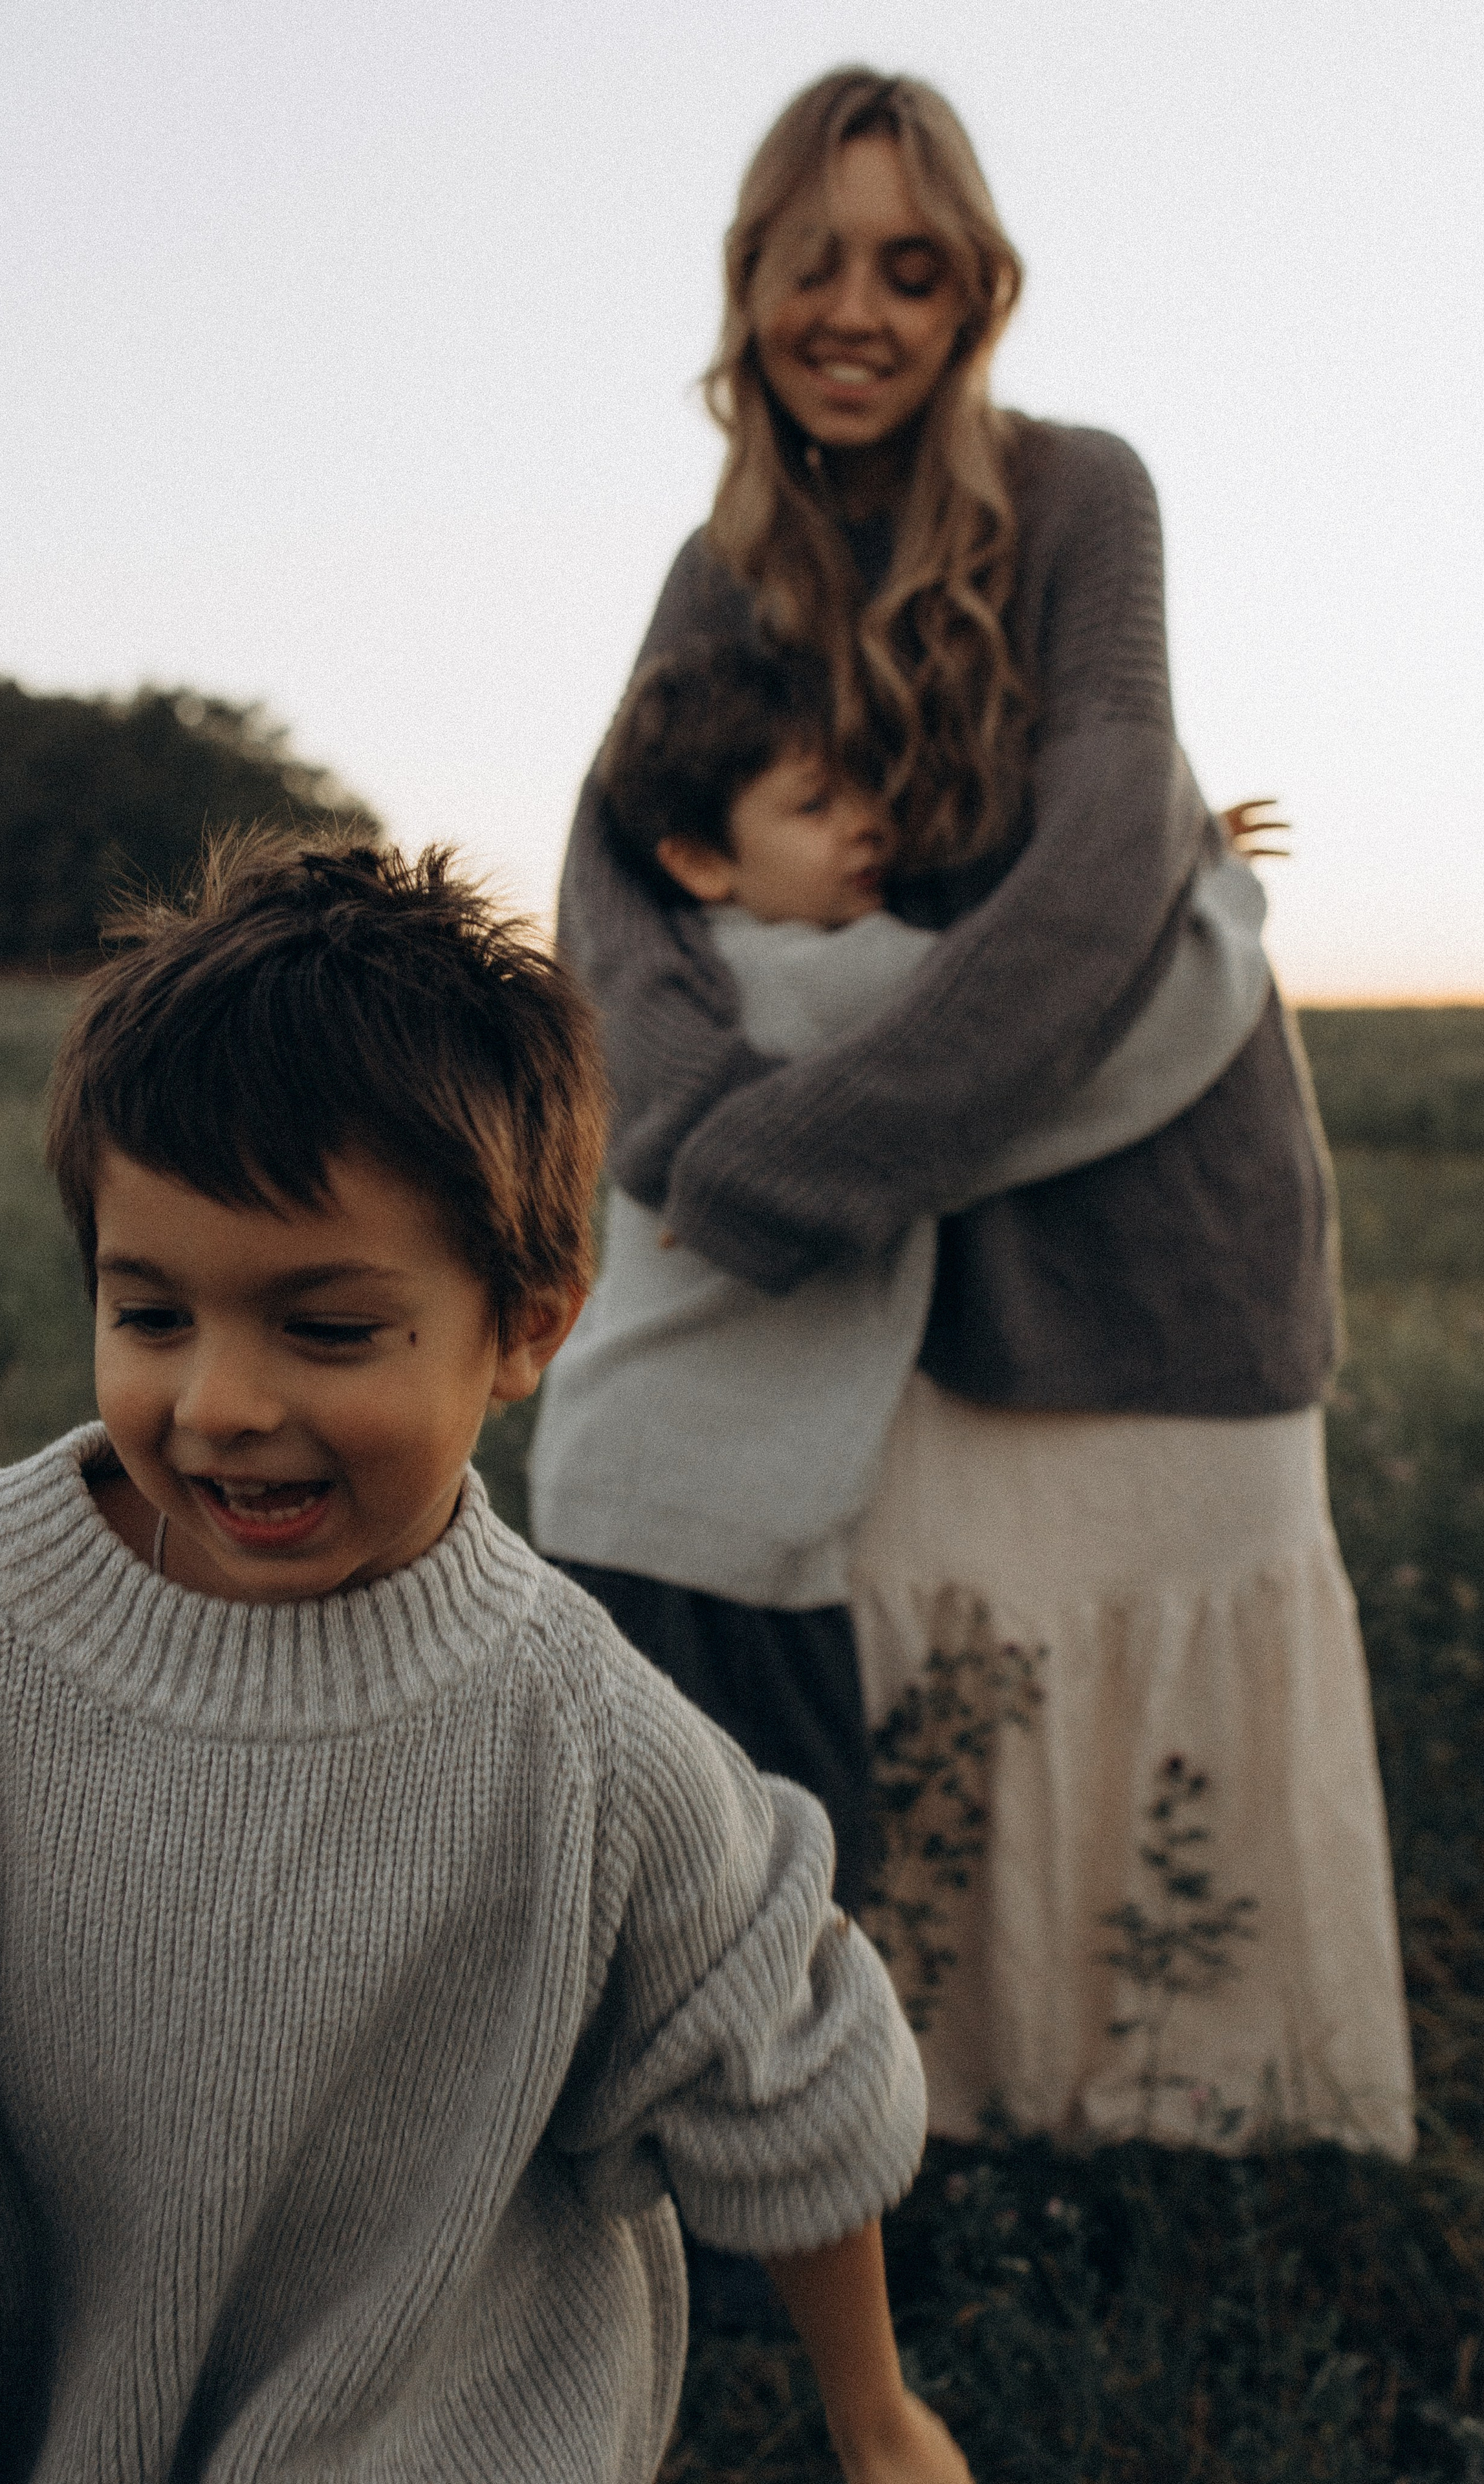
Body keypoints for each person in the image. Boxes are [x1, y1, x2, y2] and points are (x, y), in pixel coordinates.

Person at [555, 67, 1414, 2159]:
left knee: (1146, 1628)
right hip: (855, 1233)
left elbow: (1120, 852)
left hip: (1124, 1151)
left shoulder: (1080, 495)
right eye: (813, 260)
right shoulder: (720, 560)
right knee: (929, 1667)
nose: (858, 309)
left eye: (911, 268)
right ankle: (920, 2125)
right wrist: (690, 1121)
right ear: (750, 281)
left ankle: (1199, 2150)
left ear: (974, 297)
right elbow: (607, 857)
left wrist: (810, 1157)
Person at [0, 833, 973, 2484]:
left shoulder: (581, 1737)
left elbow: (791, 2075)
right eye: (152, 1315)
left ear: (525, 1329)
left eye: (328, 1329)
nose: (218, 1403)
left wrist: (878, 2420)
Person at [531, 636, 1273, 1916]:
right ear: (699, 862)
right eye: (814, 805)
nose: (868, 825)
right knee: (781, 1899)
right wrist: (1203, 880)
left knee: (652, 1880)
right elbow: (1139, 1024)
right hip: (706, 1537)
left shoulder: (709, 987)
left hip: (639, 1499)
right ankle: (793, 2120)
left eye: (866, 789)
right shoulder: (820, 988)